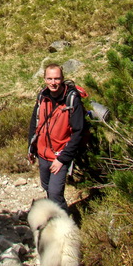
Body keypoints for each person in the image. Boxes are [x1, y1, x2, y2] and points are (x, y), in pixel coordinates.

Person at [28, 64, 85, 212]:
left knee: (54, 192)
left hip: (60, 155)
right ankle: (54, 217)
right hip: (43, 153)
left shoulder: (72, 100)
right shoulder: (42, 97)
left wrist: (62, 159)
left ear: (62, 79)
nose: (53, 82)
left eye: (57, 78)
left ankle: (64, 229)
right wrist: (31, 147)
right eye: (50, 78)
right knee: (47, 188)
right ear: (45, 79)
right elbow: (35, 123)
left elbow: (78, 132)